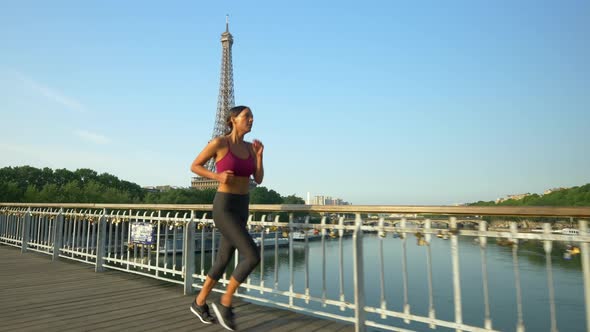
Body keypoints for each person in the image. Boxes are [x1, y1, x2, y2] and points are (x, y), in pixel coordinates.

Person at [189, 105, 264, 331]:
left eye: (252, 116)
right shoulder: (219, 143)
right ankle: (226, 302)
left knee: (223, 260)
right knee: (252, 255)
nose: (251, 120)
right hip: (224, 207)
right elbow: (195, 166)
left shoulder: (252, 148)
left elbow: (258, 179)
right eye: (246, 116)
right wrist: (217, 175)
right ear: (233, 119)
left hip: (242, 206)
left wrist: (259, 157)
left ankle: (199, 302)